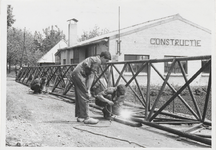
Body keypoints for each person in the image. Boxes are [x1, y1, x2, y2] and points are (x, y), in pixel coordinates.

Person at [71, 51, 111, 124]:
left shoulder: (94, 59)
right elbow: (91, 76)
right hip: (79, 74)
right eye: (106, 60)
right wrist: (88, 90)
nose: (106, 62)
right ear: (102, 57)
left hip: (76, 73)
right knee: (85, 95)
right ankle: (86, 118)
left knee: (80, 96)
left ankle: (80, 116)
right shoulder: (97, 61)